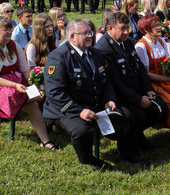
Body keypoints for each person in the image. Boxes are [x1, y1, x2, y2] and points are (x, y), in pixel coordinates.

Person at [44, 18, 147, 169]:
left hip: (93, 102)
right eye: (84, 33)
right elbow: (54, 92)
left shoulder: (95, 54)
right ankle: (88, 159)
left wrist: (109, 99)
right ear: (72, 36)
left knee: (126, 115)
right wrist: (79, 111)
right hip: (66, 109)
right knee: (82, 130)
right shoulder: (58, 57)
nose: (89, 36)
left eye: (90, 32)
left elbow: (106, 81)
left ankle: (128, 154)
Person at [0, 16, 57, 149]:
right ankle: (37, 100)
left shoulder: (14, 45)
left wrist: (33, 85)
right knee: (14, 94)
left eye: (10, 30)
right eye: (5, 30)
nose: (9, 33)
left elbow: (25, 70)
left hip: (16, 82)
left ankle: (45, 140)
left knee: (34, 102)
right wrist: (16, 85)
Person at [95, 11, 168, 144]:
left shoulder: (127, 42)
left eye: (127, 28)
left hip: (134, 88)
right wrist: (138, 100)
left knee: (161, 108)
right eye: (122, 28)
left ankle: (138, 135)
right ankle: (130, 147)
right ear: (110, 28)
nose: (126, 32)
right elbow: (115, 82)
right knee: (137, 116)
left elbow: (140, 68)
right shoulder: (104, 49)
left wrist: (148, 89)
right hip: (119, 96)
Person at [134, 13, 170, 130]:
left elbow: (167, 63)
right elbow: (146, 74)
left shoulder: (161, 41)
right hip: (152, 85)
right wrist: (169, 79)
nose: (160, 27)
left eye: (159, 24)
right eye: (155, 26)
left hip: (165, 80)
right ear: (146, 29)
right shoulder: (142, 46)